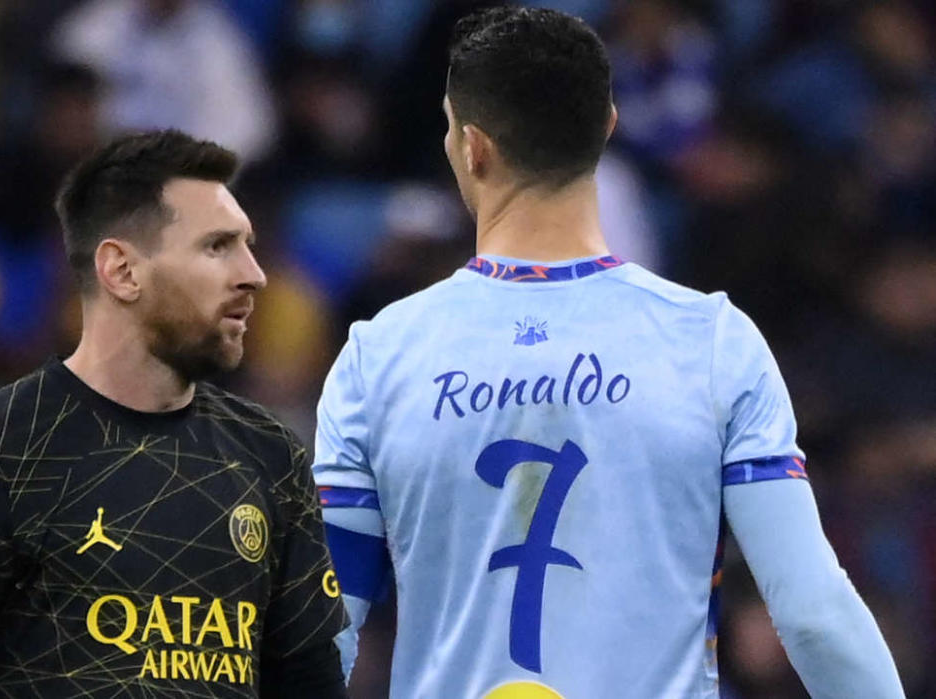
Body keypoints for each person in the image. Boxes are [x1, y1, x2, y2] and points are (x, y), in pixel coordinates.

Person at [313, 7, 904, 699]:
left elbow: (323, 632)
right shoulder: (713, 342)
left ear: (470, 146)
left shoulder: (379, 355)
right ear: (607, 129)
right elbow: (814, 614)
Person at [0, 130, 348, 698]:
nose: (254, 273)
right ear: (122, 271)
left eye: (247, 244)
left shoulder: (271, 455)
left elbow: (310, 683)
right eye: (217, 247)